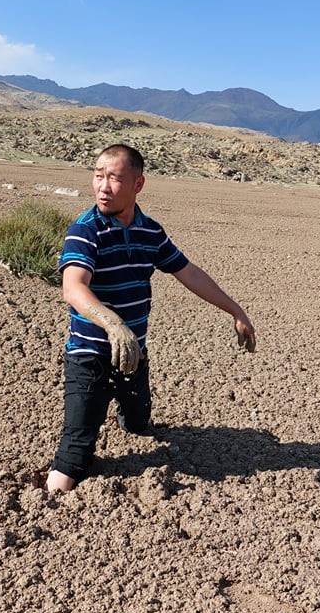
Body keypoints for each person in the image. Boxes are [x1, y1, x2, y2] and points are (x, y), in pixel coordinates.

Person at [46, 143, 256, 492]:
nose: (103, 187)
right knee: (73, 457)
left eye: (114, 178)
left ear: (138, 184)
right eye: (98, 176)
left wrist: (235, 310)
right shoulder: (85, 231)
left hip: (132, 356)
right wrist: (113, 324)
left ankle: (126, 416)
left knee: (138, 423)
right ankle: (52, 500)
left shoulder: (150, 232)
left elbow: (189, 273)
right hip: (89, 357)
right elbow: (73, 288)